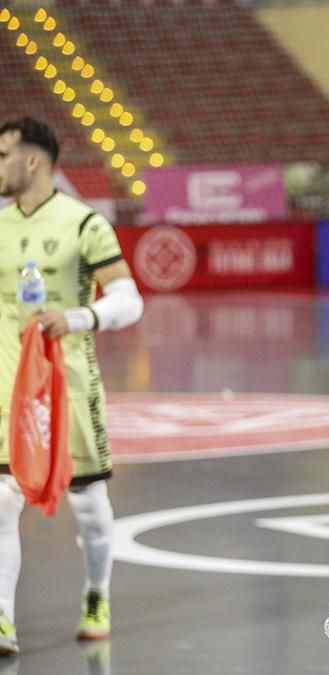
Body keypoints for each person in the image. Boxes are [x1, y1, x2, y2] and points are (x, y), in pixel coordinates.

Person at [0, 117, 145, 656]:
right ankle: (4, 619)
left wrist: (80, 317)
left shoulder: (85, 224)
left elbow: (130, 299)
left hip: (69, 388)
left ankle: (96, 594)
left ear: (31, 160)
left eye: (2, 154)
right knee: (1, 500)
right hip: (7, 393)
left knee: (86, 501)